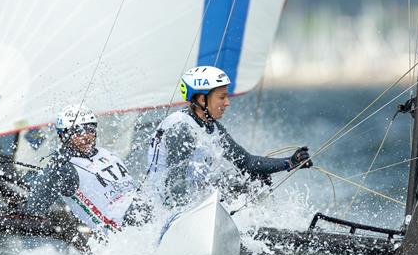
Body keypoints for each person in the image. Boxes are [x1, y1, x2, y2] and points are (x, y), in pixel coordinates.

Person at [146, 66, 312, 208]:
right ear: (202, 99)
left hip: (194, 202)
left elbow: (247, 163)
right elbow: (174, 186)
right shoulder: (181, 128)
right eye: (221, 97)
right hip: (166, 208)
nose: (227, 103)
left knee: (257, 180)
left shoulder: (211, 127)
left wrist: (290, 162)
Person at [24, 105, 143, 235]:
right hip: (124, 234)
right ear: (63, 136)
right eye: (79, 131)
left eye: (90, 130)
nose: (86, 136)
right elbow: (35, 206)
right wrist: (54, 168)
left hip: (143, 214)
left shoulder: (105, 153)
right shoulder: (64, 169)